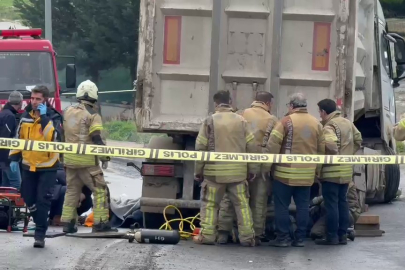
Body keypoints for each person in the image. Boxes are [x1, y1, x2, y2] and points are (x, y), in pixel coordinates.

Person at [193, 90, 259, 247]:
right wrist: (252, 169)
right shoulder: (241, 121)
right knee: (242, 206)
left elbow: (200, 147)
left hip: (214, 175)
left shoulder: (209, 121)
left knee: (210, 205)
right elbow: (252, 146)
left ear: (216, 104)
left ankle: (208, 236)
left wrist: (198, 171)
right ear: (230, 102)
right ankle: (247, 238)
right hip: (238, 174)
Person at [217, 91, 278, 245]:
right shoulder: (272, 120)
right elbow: (272, 146)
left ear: (255, 101)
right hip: (261, 166)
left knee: (230, 199)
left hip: (239, 163)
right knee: (258, 201)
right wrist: (266, 168)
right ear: (268, 103)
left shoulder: (241, 114)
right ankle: (255, 235)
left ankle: (223, 233)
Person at [265, 93, 325, 247]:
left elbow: (272, 146)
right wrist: (317, 171)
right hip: (306, 176)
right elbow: (321, 149)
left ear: (291, 106)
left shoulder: (285, 122)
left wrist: (266, 168)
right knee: (303, 207)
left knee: (282, 207)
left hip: (284, 176)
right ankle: (300, 239)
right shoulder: (316, 124)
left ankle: (283, 238)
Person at [9, 86, 63, 248]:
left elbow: (51, 138)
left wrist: (44, 117)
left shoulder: (53, 117)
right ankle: (41, 220)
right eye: (32, 98)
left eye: (38, 99)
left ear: (45, 100)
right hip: (28, 165)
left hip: (47, 167)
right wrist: (14, 157)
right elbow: (19, 138)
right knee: (27, 197)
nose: (34, 102)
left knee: (42, 200)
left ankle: (40, 234)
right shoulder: (25, 116)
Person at [61, 80, 115, 233]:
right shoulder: (92, 114)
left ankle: (68, 223)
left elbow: (62, 135)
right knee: (100, 190)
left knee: (72, 191)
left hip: (70, 160)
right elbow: (96, 137)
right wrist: (104, 157)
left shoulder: (67, 111)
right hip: (87, 162)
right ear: (94, 95)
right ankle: (100, 223)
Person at [314, 99, 362, 245]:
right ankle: (342, 235)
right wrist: (348, 155)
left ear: (323, 111)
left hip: (332, 172)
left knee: (331, 205)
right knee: (343, 203)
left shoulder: (329, 125)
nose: (320, 116)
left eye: (320, 112)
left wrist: (324, 163)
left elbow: (331, 145)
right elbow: (358, 139)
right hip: (346, 172)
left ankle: (332, 236)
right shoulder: (347, 122)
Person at [0, 91, 23, 190]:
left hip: (4, 158)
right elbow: (6, 139)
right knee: (16, 184)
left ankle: (5, 205)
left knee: (5, 185)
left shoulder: (4, 113)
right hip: (7, 158)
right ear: (20, 103)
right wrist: (11, 159)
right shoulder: (10, 116)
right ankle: (14, 205)